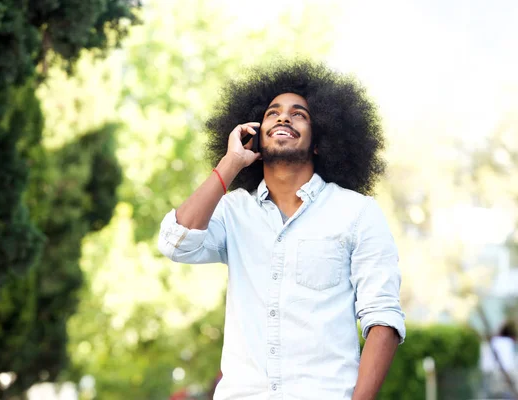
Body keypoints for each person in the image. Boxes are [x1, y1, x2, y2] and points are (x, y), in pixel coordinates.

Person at [158, 60, 405, 400]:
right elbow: (176, 242)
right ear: (257, 133)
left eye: (298, 113)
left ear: (319, 142)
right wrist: (230, 163)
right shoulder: (234, 210)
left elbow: (383, 319)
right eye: (272, 113)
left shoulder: (357, 212)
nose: (283, 117)